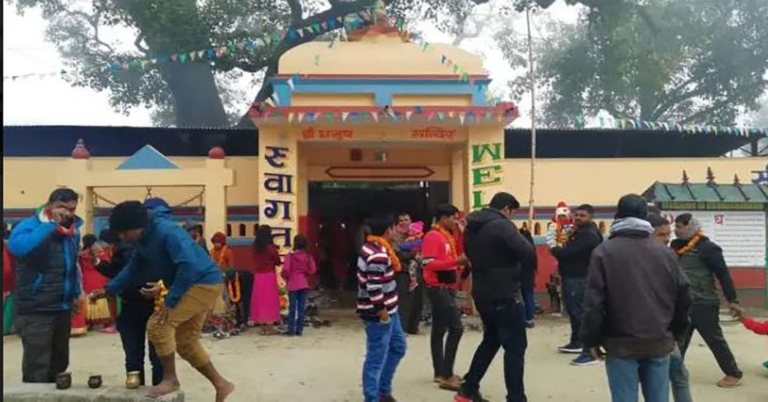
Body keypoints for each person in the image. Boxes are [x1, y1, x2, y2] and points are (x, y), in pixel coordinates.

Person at [90, 201, 234, 400]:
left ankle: (170, 379)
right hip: (189, 283)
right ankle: (221, 384)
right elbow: (133, 268)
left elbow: (188, 266)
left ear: (137, 226)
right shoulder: (142, 239)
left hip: (202, 282)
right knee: (186, 343)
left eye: (124, 233)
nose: (122, 238)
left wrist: (171, 299)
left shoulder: (168, 232)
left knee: (158, 325)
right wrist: (109, 289)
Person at [581, 194, 691, 402]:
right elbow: (683, 295)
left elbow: (593, 303)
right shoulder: (665, 253)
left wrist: (591, 340)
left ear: (617, 216)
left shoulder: (604, 252)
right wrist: (676, 333)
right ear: (644, 218)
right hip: (659, 341)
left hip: (620, 344)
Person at [456, 192, 536, 402]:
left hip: (482, 292)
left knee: (491, 340)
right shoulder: (502, 225)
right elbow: (527, 252)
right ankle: (516, 397)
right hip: (505, 293)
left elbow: (470, 254)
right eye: (512, 213)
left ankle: (468, 388)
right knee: (515, 348)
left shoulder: (471, 227)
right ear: (507, 208)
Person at [9, 188, 82, 383]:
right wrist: (50, 226)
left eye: (72, 209)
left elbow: (72, 265)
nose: (67, 213)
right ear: (49, 205)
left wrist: (75, 293)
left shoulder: (73, 231)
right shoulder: (28, 226)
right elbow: (19, 248)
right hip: (36, 307)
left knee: (60, 363)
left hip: (62, 306)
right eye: (61, 207)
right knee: (37, 366)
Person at [672, 213, 743, 388]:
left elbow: (723, 274)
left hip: (704, 303)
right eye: (675, 226)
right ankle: (673, 372)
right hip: (682, 303)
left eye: (680, 227)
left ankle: (733, 373)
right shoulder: (677, 247)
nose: (676, 230)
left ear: (690, 227)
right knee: (678, 340)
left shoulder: (708, 248)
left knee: (714, 340)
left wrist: (732, 300)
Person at [95, 227, 163, 387]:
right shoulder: (125, 249)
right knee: (156, 353)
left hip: (148, 305)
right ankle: (159, 388)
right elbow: (119, 273)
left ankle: (138, 387)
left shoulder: (133, 249)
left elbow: (118, 273)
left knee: (136, 355)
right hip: (145, 306)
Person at [357, 213, 407, 402]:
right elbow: (373, 286)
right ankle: (372, 397)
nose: (397, 231)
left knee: (398, 347)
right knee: (376, 358)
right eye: (395, 227)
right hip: (379, 312)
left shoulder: (374, 247)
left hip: (390, 310)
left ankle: (382, 390)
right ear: (388, 230)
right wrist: (383, 313)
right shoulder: (378, 254)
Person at [549, 204, 603, 366]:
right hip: (573, 275)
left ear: (591, 217)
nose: (578, 218)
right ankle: (576, 341)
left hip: (580, 277)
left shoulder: (588, 235)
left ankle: (586, 347)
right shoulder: (579, 232)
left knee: (579, 312)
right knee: (573, 311)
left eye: (582, 215)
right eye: (577, 215)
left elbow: (571, 252)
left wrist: (555, 250)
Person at [423, 204, 469, 392]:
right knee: (456, 328)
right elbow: (428, 263)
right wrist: (456, 262)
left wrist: (462, 233)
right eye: (453, 218)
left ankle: (440, 372)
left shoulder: (447, 236)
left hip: (446, 287)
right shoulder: (433, 236)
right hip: (438, 287)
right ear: (443, 218)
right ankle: (447, 374)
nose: (455, 221)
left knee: (439, 329)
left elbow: (457, 253)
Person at [648, 213, 692, 402]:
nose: (667, 239)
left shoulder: (668, 256)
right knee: (661, 380)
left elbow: (682, 297)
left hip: (666, 331)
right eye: (661, 235)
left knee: (678, 376)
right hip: (657, 332)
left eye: (668, 234)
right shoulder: (660, 259)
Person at [79, 234, 116, 333]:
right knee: (102, 298)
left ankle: (90, 322)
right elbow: (108, 264)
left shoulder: (81, 255)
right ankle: (105, 321)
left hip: (87, 278)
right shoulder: (100, 252)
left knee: (89, 298)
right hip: (100, 276)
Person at [393, 212, 423, 335]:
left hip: (417, 271)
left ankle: (413, 327)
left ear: (411, 221)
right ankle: (402, 329)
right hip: (403, 272)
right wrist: (414, 254)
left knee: (418, 300)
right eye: (400, 220)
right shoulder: (394, 236)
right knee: (404, 301)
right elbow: (399, 254)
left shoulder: (417, 234)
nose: (403, 222)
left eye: (406, 220)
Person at [281, 234, 317, 336]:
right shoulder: (308, 256)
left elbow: (286, 271)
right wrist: (305, 273)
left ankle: (291, 329)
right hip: (303, 283)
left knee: (292, 307)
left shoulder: (290, 256)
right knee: (301, 307)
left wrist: (286, 277)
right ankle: (299, 329)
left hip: (292, 283)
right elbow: (313, 270)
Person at [251, 225, 282, 335]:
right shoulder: (270, 248)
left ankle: (262, 328)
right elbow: (278, 261)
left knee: (260, 301)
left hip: (258, 276)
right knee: (270, 301)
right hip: (269, 275)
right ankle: (269, 328)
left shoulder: (255, 247)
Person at [519, 227, 537, 329]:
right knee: (529, 296)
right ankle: (530, 317)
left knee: (522, 297)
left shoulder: (520, 248)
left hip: (520, 275)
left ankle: (524, 317)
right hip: (529, 275)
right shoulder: (532, 249)